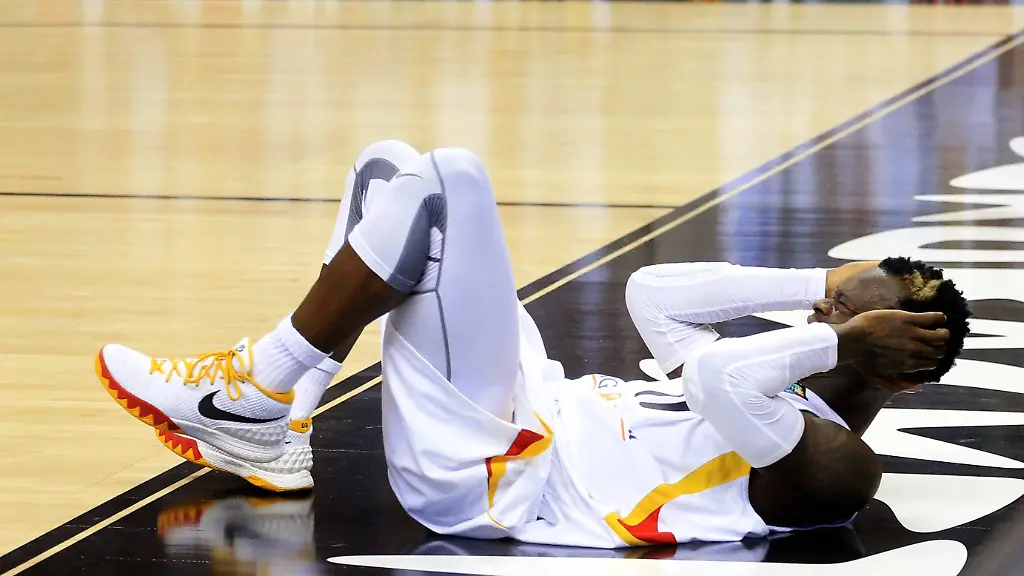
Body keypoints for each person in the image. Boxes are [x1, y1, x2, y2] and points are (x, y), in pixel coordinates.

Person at [95, 141, 971, 548]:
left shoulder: (839, 466)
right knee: (387, 169)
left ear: (902, 377)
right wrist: (818, 285)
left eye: (845, 323)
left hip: (498, 474)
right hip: (526, 401)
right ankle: (278, 420)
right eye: (829, 311)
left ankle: (257, 391)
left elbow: (713, 376)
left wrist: (836, 341)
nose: (821, 324)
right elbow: (653, 294)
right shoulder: (791, 369)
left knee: (448, 185)